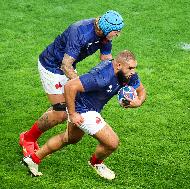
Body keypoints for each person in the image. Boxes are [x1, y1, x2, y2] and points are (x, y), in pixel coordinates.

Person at [22, 50, 146, 180]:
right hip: (83, 109)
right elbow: (70, 86)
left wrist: (138, 102)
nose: (133, 71)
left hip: (88, 107)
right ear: (119, 65)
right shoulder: (101, 76)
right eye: (130, 68)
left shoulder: (128, 75)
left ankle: (33, 159)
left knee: (70, 138)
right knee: (112, 143)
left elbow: (141, 90)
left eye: (134, 67)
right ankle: (96, 163)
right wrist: (73, 113)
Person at [19, 10, 124, 157]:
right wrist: (84, 86)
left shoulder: (106, 37)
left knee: (63, 107)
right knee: (61, 112)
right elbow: (65, 65)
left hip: (68, 66)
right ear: (106, 28)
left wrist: (118, 80)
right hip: (52, 65)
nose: (118, 34)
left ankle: (31, 136)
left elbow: (106, 60)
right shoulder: (80, 31)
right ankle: (27, 138)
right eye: (116, 31)